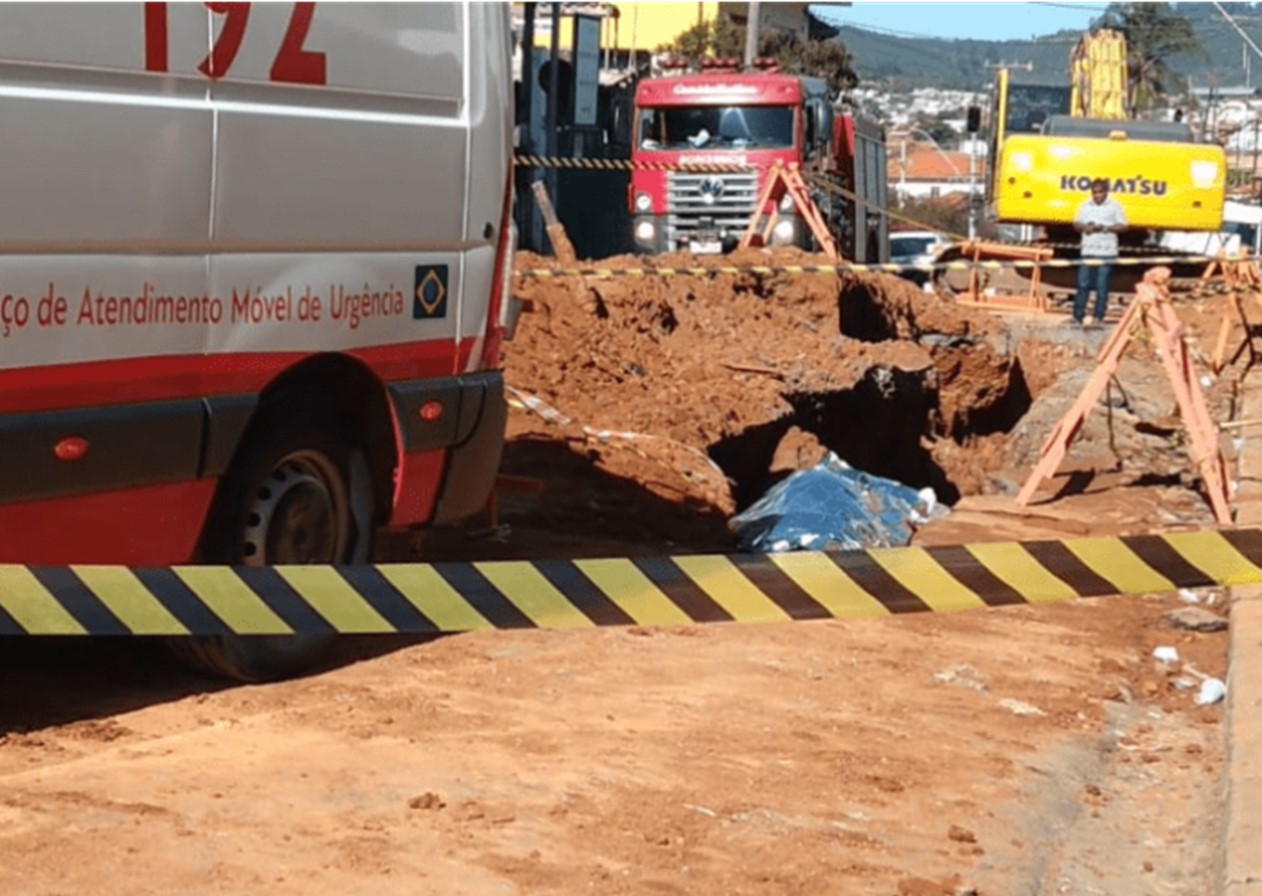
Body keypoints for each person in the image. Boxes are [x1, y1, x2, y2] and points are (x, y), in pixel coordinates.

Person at [1072, 177, 1128, 327]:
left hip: (1106, 252)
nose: (1097, 195)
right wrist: (1085, 228)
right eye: (1094, 192)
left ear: (1106, 192)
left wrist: (1104, 228)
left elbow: (1123, 226)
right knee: (1082, 284)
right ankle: (1077, 315)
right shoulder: (1085, 206)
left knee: (1101, 285)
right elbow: (1076, 223)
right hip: (1088, 251)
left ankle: (1098, 316)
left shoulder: (1115, 206)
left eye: (1100, 192)